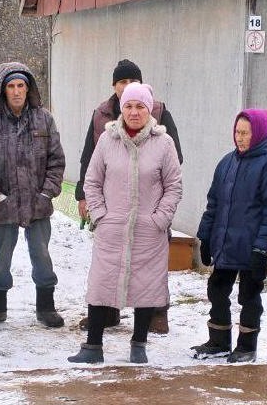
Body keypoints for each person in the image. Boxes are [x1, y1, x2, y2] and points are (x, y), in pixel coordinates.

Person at [68, 83, 183, 364]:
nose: (134, 112)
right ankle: (92, 347)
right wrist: (100, 215)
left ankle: (139, 344)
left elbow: (174, 186)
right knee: (101, 284)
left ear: (149, 109)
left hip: (149, 229)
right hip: (112, 228)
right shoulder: (108, 140)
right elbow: (92, 181)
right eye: (129, 106)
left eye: (140, 106)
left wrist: (160, 219)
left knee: (146, 286)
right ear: (122, 108)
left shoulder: (163, 143)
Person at [191, 109, 267, 363]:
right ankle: (219, 340)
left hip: (252, 249)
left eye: (246, 133)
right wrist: (205, 237)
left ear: (258, 133)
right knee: (216, 289)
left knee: (249, 296)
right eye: (237, 132)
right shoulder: (226, 163)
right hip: (226, 245)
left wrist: (263, 249)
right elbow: (213, 203)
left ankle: (247, 346)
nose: (240, 138)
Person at [0, 62, 66, 328]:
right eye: (11, 86)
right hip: (3, 205)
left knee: (42, 255)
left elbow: (56, 161)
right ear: (3, 90)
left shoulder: (44, 119)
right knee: (0, 258)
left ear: (28, 89)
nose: (16, 91)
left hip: (38, 204)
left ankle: (46, 307)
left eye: (21, 86)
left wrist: (47, 194)